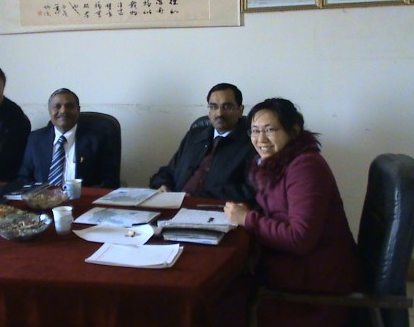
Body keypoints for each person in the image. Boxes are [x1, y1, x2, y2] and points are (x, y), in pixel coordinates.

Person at [223, 98, 361, 327]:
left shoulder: (305, 167)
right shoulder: (274, 163)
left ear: (293, 131)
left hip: (314, 286)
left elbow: (300, 238)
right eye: (255, 131)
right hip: (294, 270)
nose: (260, 139)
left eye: (270, 130)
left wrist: (247, 218)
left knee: (221, 297)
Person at [149, 83, 256, 201]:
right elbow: (168, 172)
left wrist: (200, 197)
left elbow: (251, 189)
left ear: (240, 110)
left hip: (214, 208)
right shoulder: (194, 136)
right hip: (175, 204)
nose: (219, 113)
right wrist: (163, 185)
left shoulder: (252, 143)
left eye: (227, 107)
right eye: (213, 107)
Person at [17, 88, 120, 189]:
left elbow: (110, 182)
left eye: (69, 106)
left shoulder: (98, 140)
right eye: (57, 106)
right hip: (43, 198)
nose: (63, 111)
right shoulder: (35, 139)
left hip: (83, 198)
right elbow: (23, 179)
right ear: (49, 111)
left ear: (78, 110)